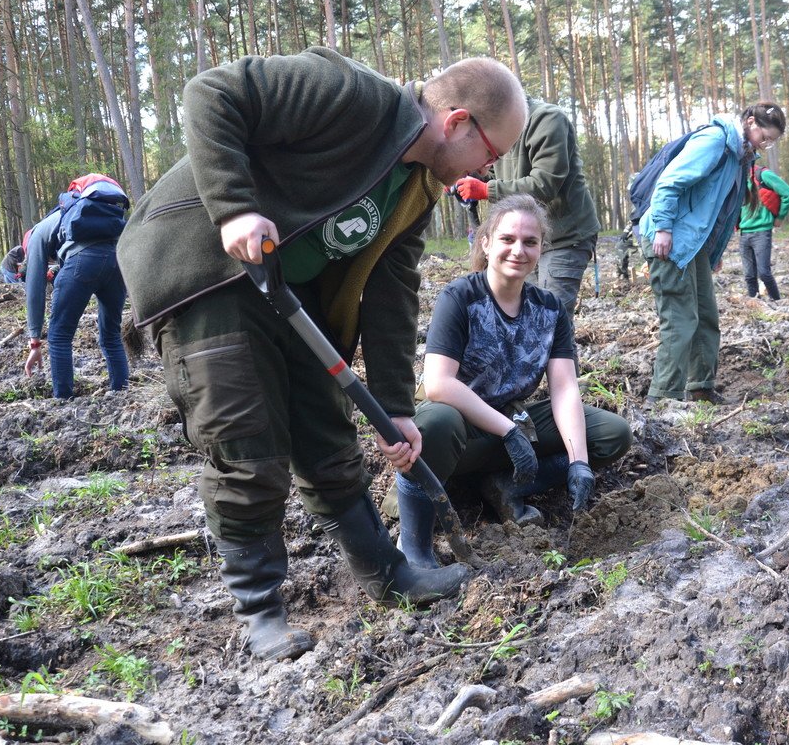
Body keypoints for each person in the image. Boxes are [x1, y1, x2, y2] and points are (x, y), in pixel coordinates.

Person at [116, 48, 527, 661]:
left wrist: (395, 408)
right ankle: (260, 610)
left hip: (291, 294)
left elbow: (393, 295)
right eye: (491, 152)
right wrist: (234, 208)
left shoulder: (415, 192)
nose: (488, 169)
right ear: (458, 122)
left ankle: (387, 574)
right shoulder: (351, 95)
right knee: (246, 446)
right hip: (208, 272)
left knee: (328, 436)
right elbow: (212, 91)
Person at [394, 195, 631, 568]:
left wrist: (578, 461)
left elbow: (565, 388)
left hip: (516, 425)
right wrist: (508, 432)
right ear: (486, 243)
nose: (518, 250)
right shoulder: (460, 297)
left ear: (541, 249)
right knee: (435, 422)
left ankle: (509, 486)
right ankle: (414, 546)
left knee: (610, 433)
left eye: (530, 242)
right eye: (507, 239)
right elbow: (439, 383)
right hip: (463, 431)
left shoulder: (550, 309)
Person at [640, 102, 786, 405]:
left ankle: (700, 387)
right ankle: (663, 399)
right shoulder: (715, 141)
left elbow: (721, 208)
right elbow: (670, 182)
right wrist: (664, 227)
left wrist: (715, 250)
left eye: (772, 141)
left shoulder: (740, 157)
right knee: (680, 319)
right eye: (765, 136)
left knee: (706, 317)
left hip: (696, 247)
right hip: (670, 240)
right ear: (749, 122)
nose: (766, 144)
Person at [454, 97, 600, 318]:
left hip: (564, 237)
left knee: (551, 319)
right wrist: (465, 177)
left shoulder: (548, 119)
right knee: (524, 316)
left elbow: (545, 183)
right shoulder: (501, 129)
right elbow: (496, 175)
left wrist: (486, 191)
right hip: (522, 237)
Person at [23, 174, 130, 399]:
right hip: (117, 262)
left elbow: (34, 289)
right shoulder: (89, 216)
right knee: (111, 335)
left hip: (83, 262)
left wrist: (34, 340)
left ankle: (63, 400)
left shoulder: (37, 233)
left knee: (60, 335)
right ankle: (122, 395)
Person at [738, 162, 789, 300]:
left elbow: (788, 193)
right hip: (744, 232)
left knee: (764, 273)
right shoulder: (737, 179)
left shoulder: (762, 174)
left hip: (762, 231)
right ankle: (754, 306)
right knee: (749, 276)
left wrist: (780, 217)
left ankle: (777, 302)